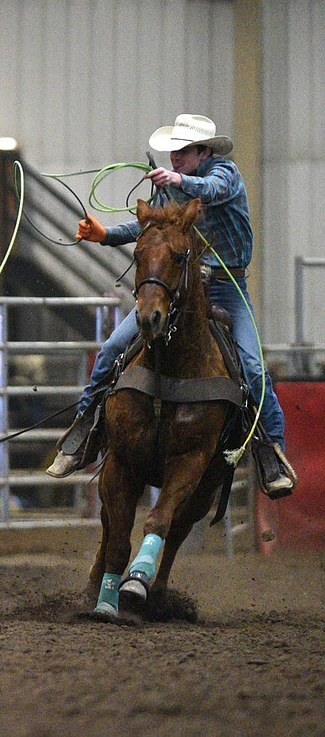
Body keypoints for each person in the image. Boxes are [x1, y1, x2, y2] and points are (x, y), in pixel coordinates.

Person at [45, 113, 297, 500]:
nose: (174, 158)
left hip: (227, 286)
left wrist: (176, 180)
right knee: (114, 348)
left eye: (181, 152)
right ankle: (84, 429)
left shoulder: (225, 174)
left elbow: (209, 190)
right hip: (180, 287)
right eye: (173, 153)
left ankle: (271, 452)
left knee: (253, 367)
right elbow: (151, 228)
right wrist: (107, 235)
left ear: (202, 152)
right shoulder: (172, 185)